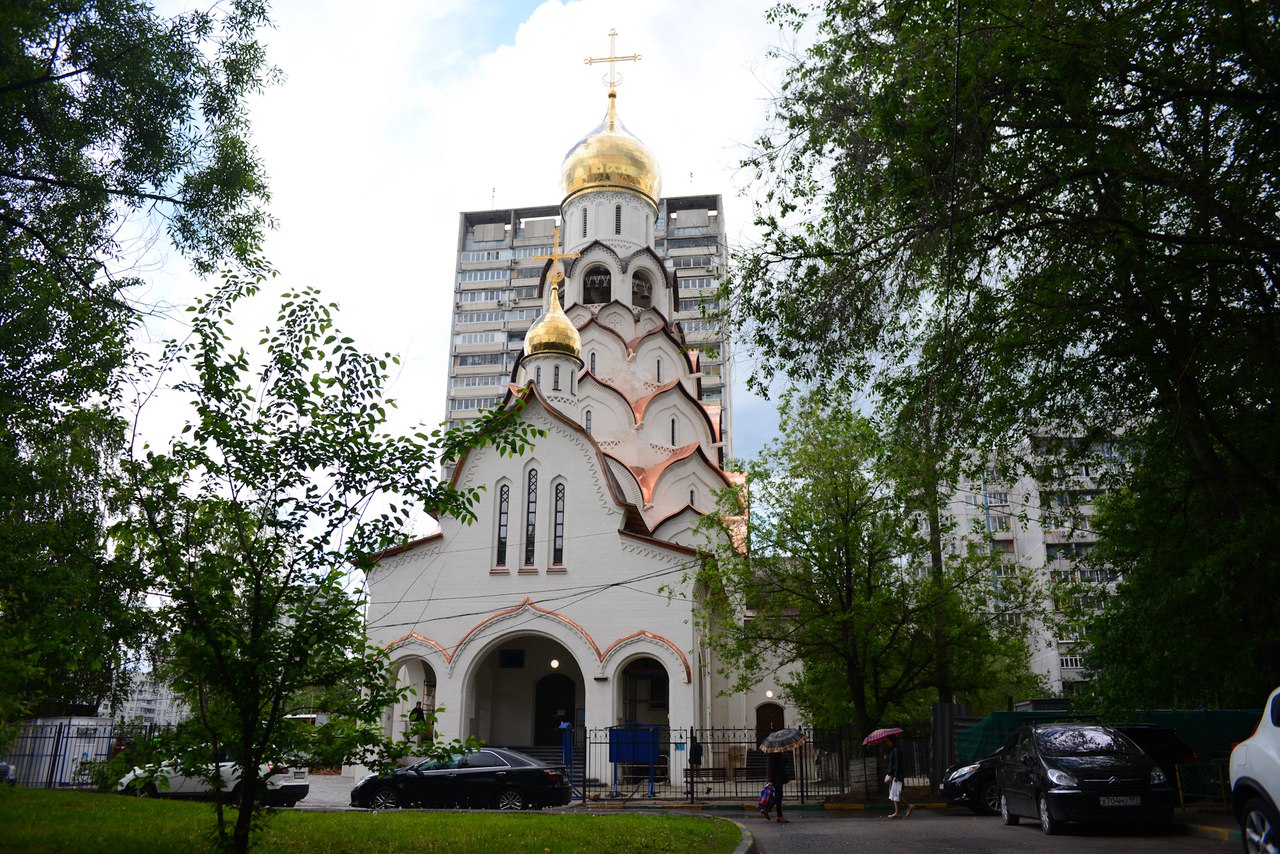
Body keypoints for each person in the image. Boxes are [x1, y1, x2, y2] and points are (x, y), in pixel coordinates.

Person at [884, 734, 913, 819]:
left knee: (895, 793)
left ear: (892, 741)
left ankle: (905, 808)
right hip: (894, 774)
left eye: (888, 741)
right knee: (894, 793)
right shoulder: (894, 750)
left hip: (897, 775)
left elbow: (897, 764)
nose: (887, 743)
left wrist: (896, 775)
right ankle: (904, 809)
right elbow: (892, 763)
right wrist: (887, 758)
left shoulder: (896, 750)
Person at [764, 749, 794, 822]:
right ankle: (779, 815)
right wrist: (770, 780)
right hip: (776, 778)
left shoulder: (778, 752)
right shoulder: (772, 753)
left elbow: (781, 764)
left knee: (779, 796)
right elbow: (771, 766)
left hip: (778, 777)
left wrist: (786, 758)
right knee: (779, 796)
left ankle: (768, 809)